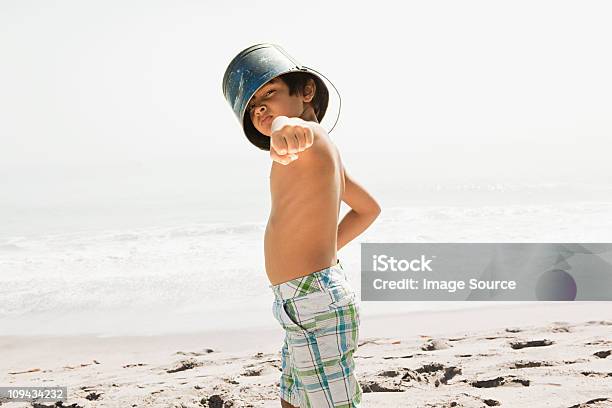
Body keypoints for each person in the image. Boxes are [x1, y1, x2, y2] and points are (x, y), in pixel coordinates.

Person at [223, 44, 381, 407]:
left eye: (270, 94)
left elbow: (291, 126)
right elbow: (368, 209)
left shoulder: (307, 138)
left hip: (314, 302)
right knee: (292, 400)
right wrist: (323, 251)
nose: (261, 109)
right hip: (303, 298)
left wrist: (282, 128)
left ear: (306, 91)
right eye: (253, 107)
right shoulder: (321, 155)